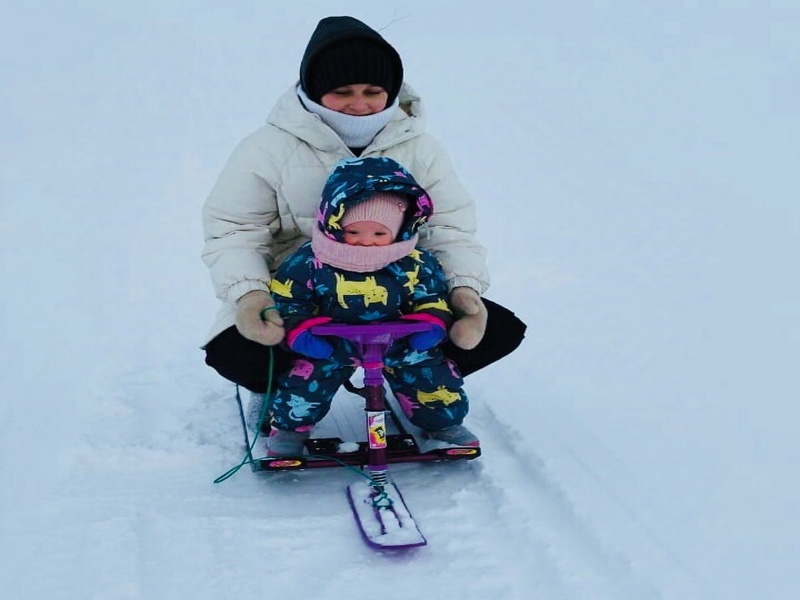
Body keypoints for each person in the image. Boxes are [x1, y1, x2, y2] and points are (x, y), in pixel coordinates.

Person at [202, 16, 526, 403]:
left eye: (373, 90)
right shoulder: (267, 149)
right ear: (315, 90)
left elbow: (450, 229)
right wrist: (249, 295)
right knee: (239, 355)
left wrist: (463, 289)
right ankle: (297, 384)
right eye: (343, 91)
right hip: (303, 295)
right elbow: (235, 231)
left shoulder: (420, 149)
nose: (360, 105)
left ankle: (418, 376)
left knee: (498, 331)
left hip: (400, 292)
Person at [265, 157, 476, 456]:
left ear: (400, 230)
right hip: (331, 342)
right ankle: (289, 429)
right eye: (354, 232)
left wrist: (431, 322)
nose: (366, 242)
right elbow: (289, 298)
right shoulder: (310, 262)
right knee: (305, 380)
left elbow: (431, 294)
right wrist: (300, 330)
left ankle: (443, 424)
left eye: (379, 234)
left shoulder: (414, 262)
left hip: (399, 341)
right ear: (335, 225)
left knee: (431, 375)